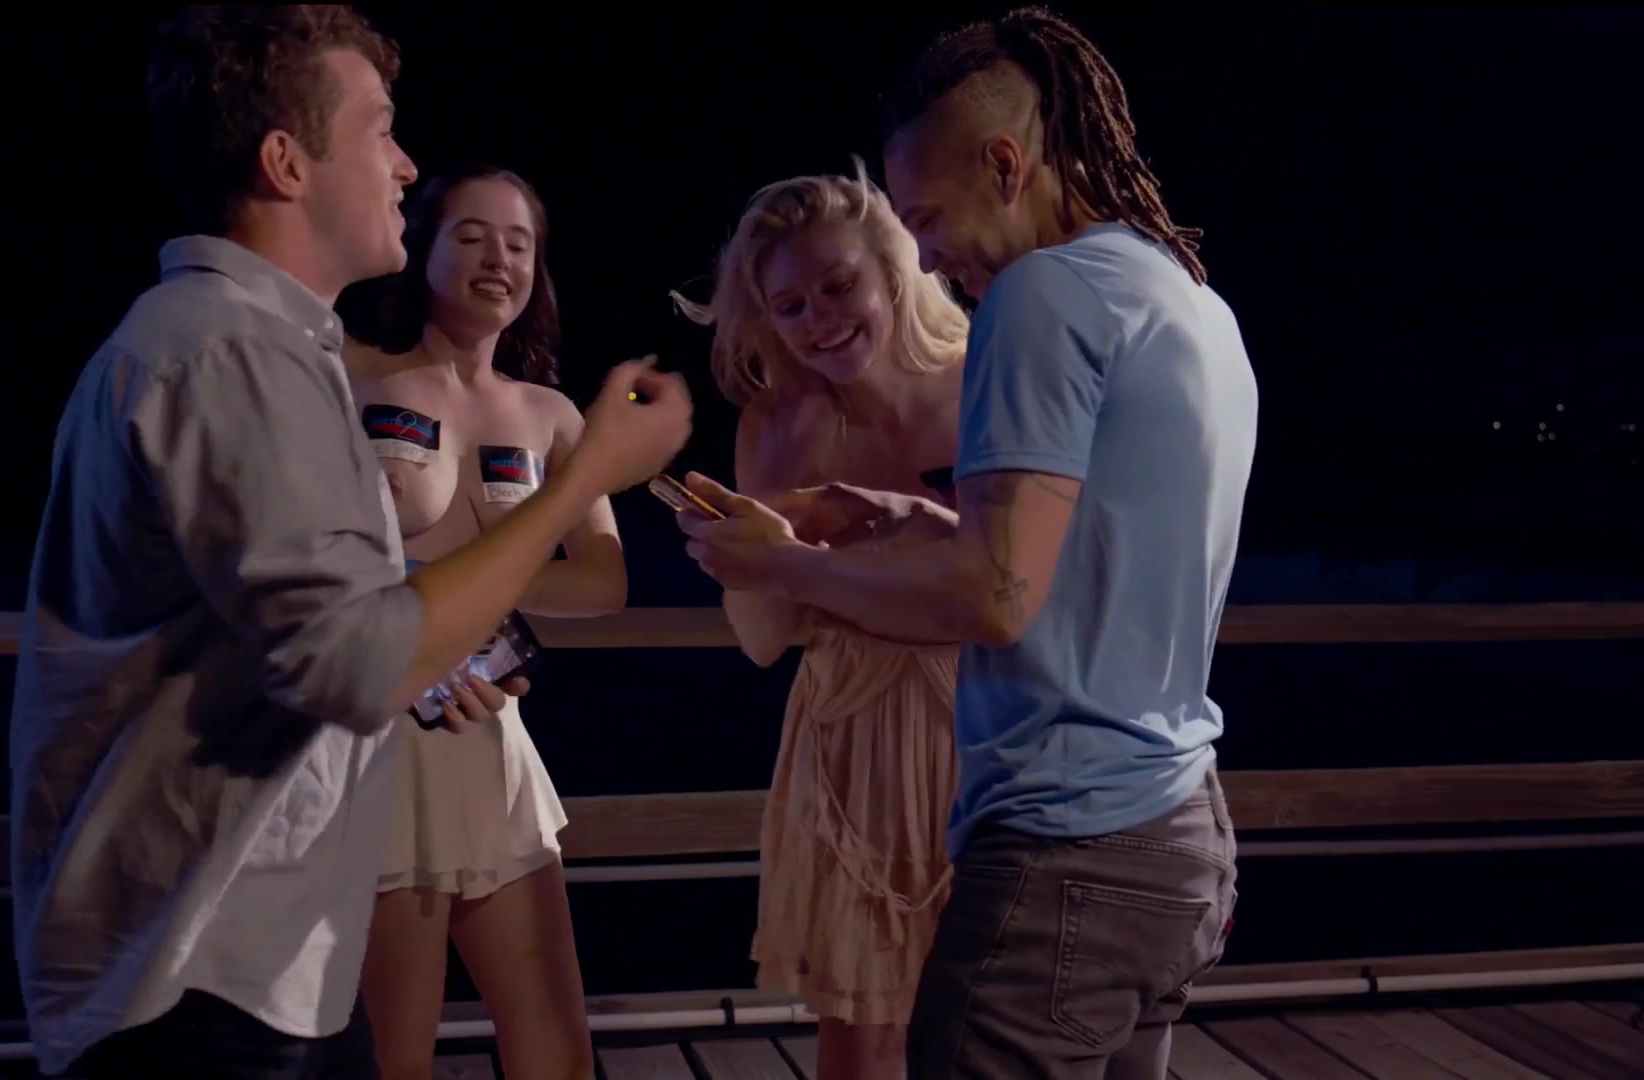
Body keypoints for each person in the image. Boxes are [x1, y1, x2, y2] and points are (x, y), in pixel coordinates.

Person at [8, 7, 691, 1079]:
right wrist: (586, 478)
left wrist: (441, 653)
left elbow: (323, 618)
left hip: (261, 945)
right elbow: (358, 655)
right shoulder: (232, 359)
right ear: (286, 163)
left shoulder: (273, 354)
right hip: (197, 976)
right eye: (381, 129)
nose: (406, 164)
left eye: (520, 241)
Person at [674, 7, 1256, 1078]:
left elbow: (994, 599)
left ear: (1003, 164)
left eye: (927, 221)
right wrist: (920, 521)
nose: (931, 255)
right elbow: (1090, 562)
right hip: (1180, 832)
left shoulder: (1039, 293)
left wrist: (781, 564)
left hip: (1067, 847)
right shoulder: (1189, 302)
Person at [669, 168, 968, 1079]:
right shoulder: (775, 425)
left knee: (991, 1020)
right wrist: (737, 556)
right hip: (852, 738)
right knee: (860, 1032)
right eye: (790, 306)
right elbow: (763, 642)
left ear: (894, 270)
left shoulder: (987, 376)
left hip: (993, 721)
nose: (820, 321)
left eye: (839, 286)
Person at [333, 163, 615, 1080]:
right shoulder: (348, 372)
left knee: (556, 1050)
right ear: (421, 246)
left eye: (519, 244)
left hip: (491, 734)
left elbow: (603, 578)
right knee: (395, 1058)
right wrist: (430, 598)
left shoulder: (550, 414)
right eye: (472, 236)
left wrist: (478, 596)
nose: (499, 259)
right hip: (379, 742)